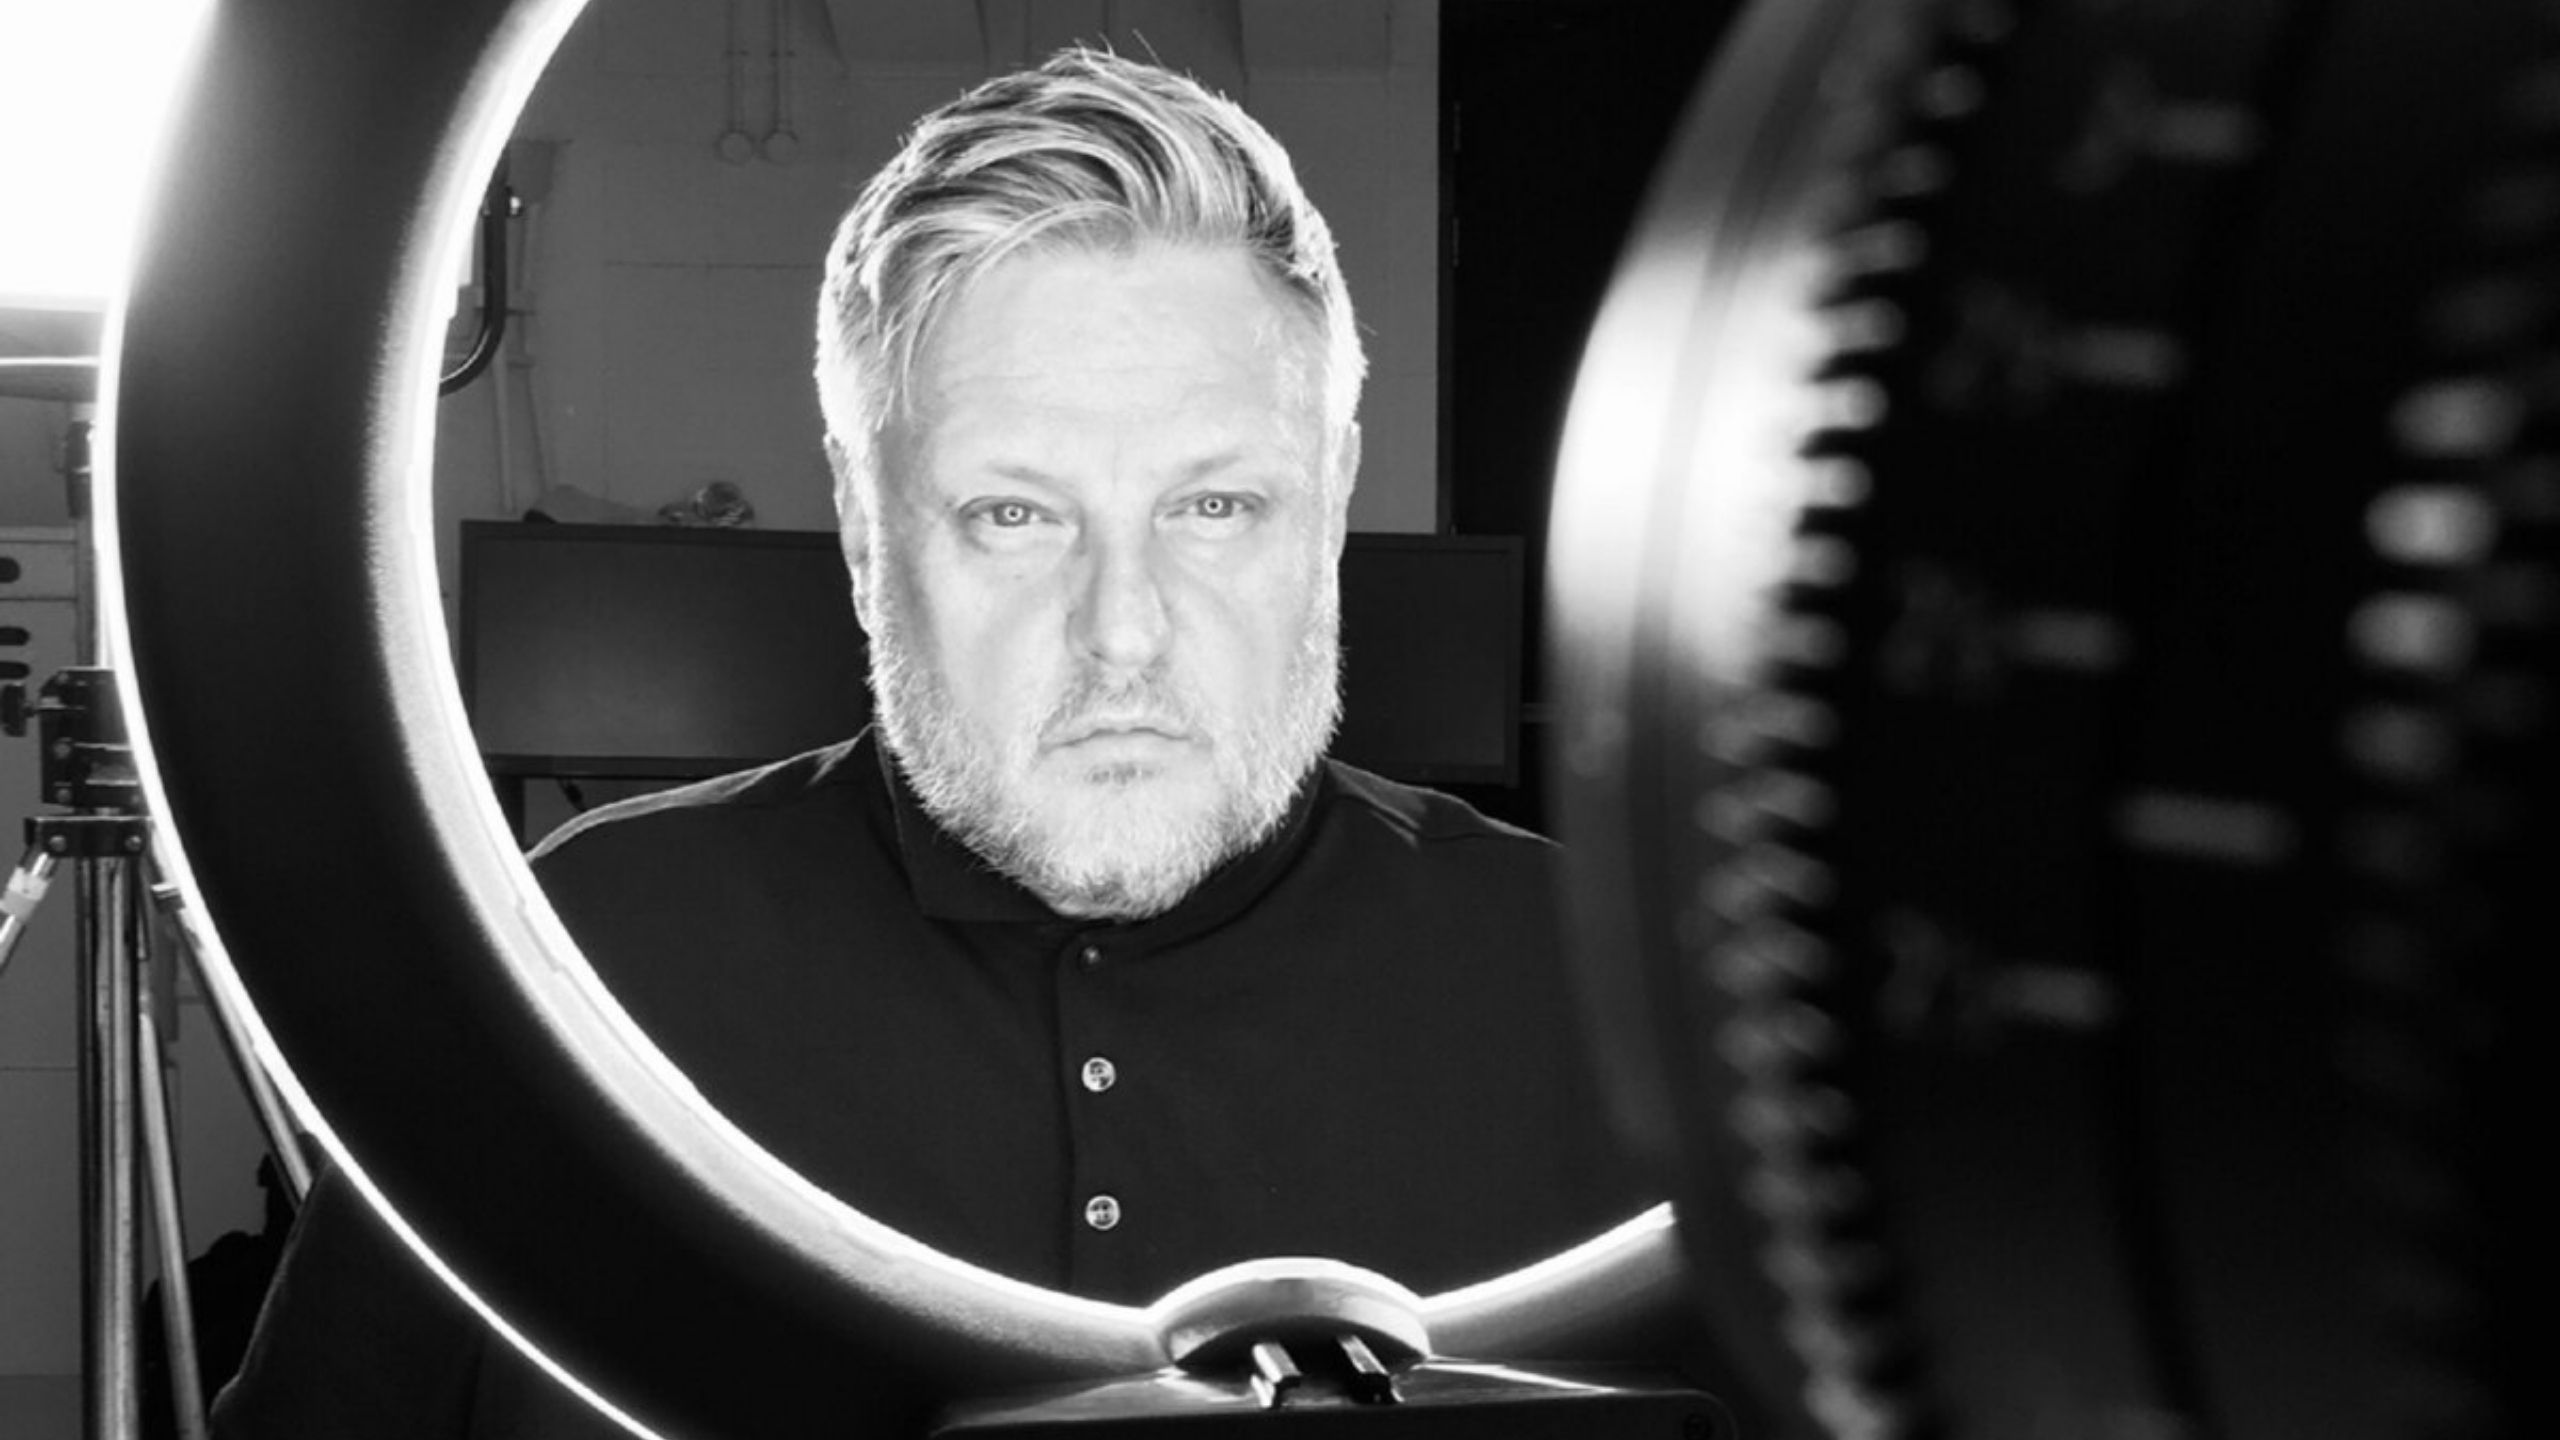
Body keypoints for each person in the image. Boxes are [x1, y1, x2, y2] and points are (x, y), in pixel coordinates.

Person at [212, 48, 1645, 1438]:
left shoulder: (1603, 1005)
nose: (1124, 632)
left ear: (1328, 496)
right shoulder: (571, 974)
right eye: (1015, 514)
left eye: (1215, 508)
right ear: (862, 522)